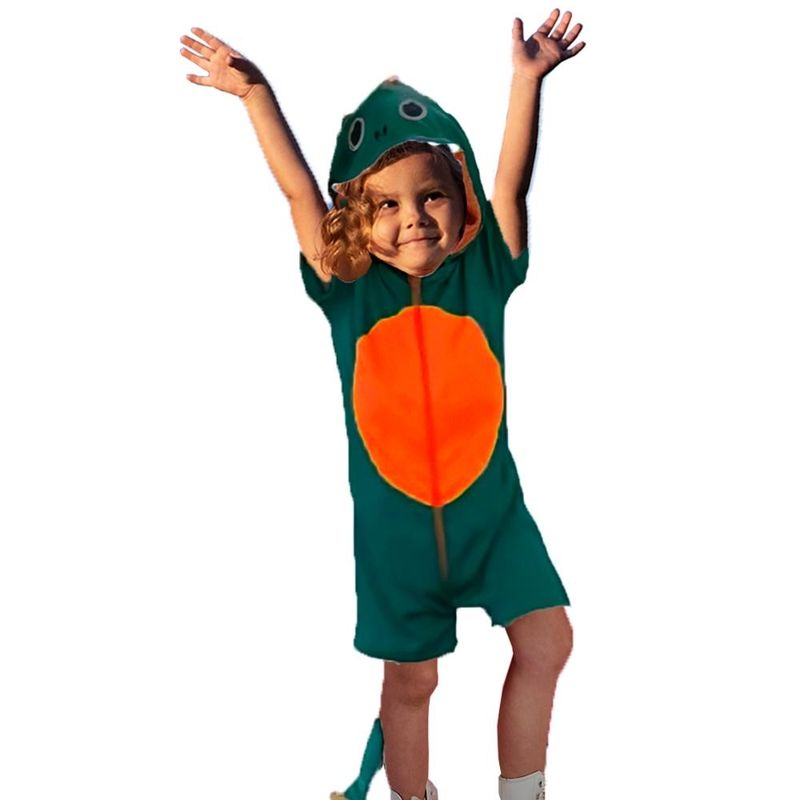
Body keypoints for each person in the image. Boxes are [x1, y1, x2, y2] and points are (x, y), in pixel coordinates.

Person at [179, 10, 585, 800]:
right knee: (412, 683)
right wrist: (256, 96)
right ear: (357, 222)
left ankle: (523, 791)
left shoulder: (485, 275)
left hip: (493, 517)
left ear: (460, 199)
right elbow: (298, 190)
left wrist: (526, 83)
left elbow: (511, 184)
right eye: (387, 206)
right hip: (396, 535)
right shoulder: (351, 293)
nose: (413, 218)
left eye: (431, 196)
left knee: (548, 641)